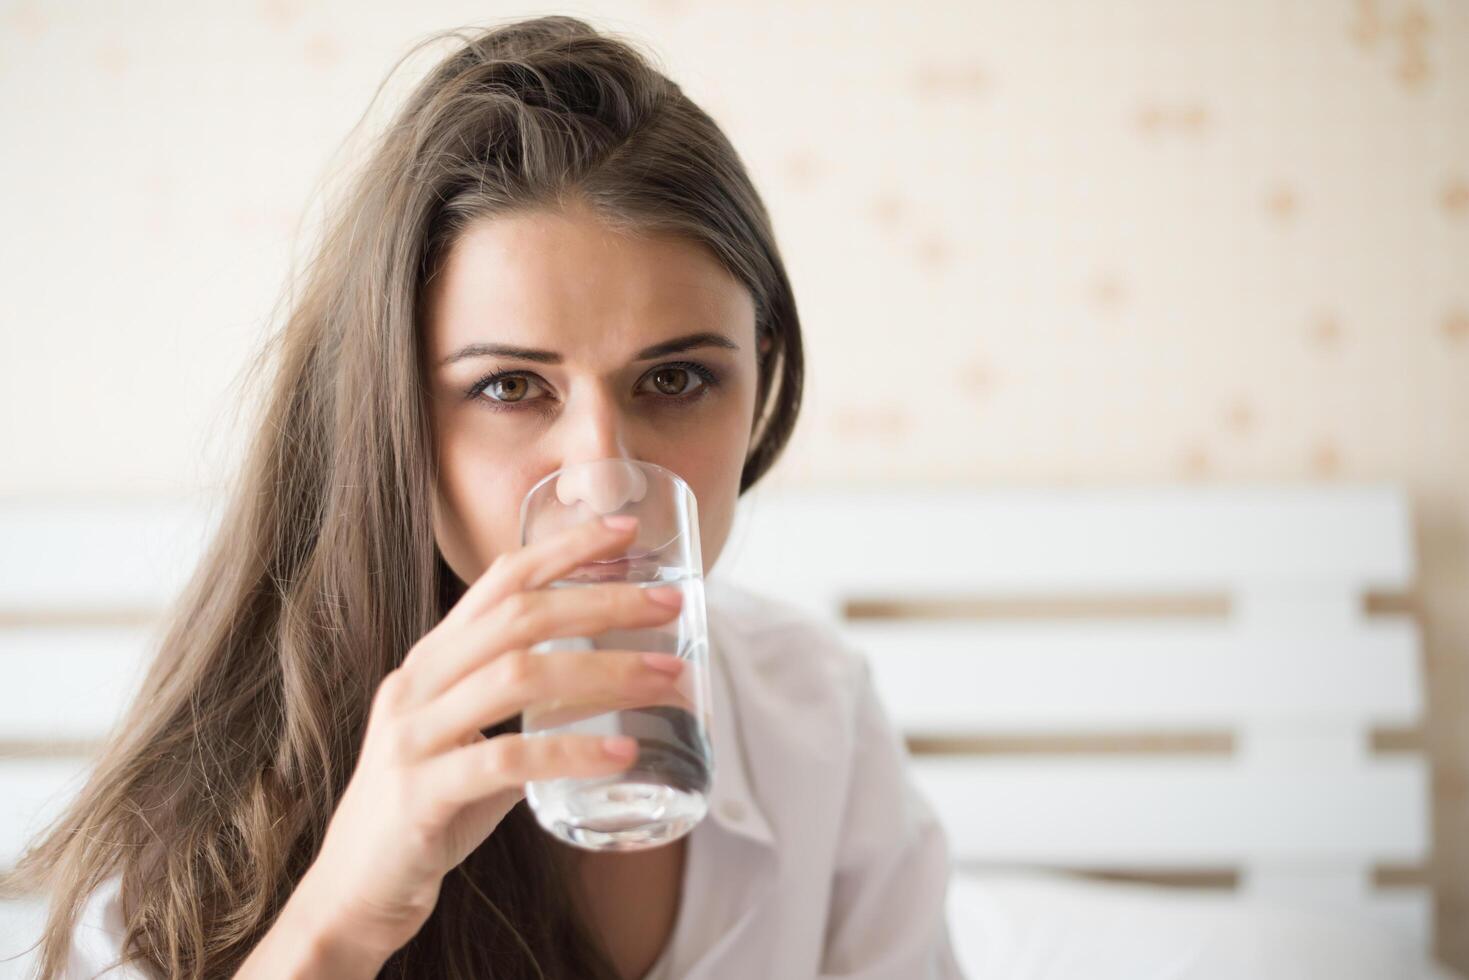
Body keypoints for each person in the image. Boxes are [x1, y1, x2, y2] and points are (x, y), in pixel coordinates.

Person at [6, 15, 965, 979]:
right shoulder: (226, 791)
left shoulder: (815, 713)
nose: (602, 488)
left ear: (760, 376)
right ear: (390, 411)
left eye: (673, 381)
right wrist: (339, 919)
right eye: (510, 387)